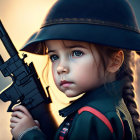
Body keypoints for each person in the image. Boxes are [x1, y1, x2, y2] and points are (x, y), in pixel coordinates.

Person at [10, 0, 140, 139]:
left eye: (76, 53)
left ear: (114, 61)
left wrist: (28, 134)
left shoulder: (92, 116)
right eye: (54, 57)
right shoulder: (108, 108)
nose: (60, 68)